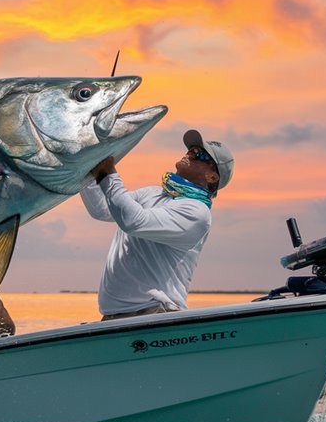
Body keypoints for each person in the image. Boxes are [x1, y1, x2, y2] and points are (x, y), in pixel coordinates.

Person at [79, 129, 234, 320]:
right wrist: (83, 166)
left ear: (212, 177)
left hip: (156, 315)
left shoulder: (197, 212)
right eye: (192, 149)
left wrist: (107, 172)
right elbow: (102, 209)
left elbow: (133, 221)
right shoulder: (153, 193)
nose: (190, 153)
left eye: (200, 155)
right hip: (114, 317)